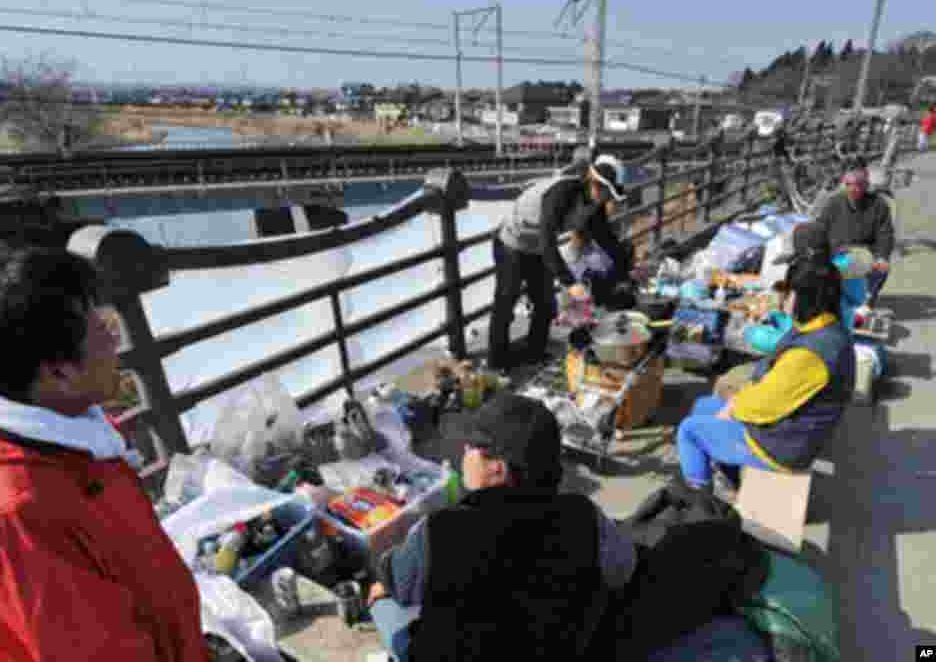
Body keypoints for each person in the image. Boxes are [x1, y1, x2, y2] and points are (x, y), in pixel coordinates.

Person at [0, 249, 209, 662]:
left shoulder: (61, 434)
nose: (114, 334)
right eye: (101, 326)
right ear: (58, 372)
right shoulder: (13, 515)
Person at [366, 393, 637, 662]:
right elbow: (623, 569)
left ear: (498, 469)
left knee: (383, 601)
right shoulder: (584, 515)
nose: (464, 451)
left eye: (471, 446)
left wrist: (385, 585)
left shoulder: (441, 529)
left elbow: (392, 578)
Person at [678, 257, 855, 492]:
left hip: (782, 445)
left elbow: (765, 405)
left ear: (801, 297)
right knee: (704, 406)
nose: (783, 298)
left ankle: (698, 500)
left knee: (689, 430)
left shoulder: (813, 354)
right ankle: (730, 477)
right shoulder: (823, 326)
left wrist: (734, 406)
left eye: (788, 291)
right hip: (791, 429)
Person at [487, 149, 632, 370]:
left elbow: (606, 239)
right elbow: (548, 242)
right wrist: (570, 283)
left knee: (545, 303)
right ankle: (497, 362)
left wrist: (626, 271)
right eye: (607, 193)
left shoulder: (594, 205)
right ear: (594, 183)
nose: (608, 199)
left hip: (537, 248)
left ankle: (534, 354)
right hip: (512, 243)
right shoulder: (562, 193)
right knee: (505, 303)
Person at [814, 166, 895, 308]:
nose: (853, 188)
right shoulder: (833, 203)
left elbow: (885, 234)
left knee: (881, 268)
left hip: (866, 254)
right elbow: (820, 227)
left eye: (858, 185)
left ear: (866, 186)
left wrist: (882, 256)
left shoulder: (879, 205)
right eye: (848, 184)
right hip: (838, 255)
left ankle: (867, 301)